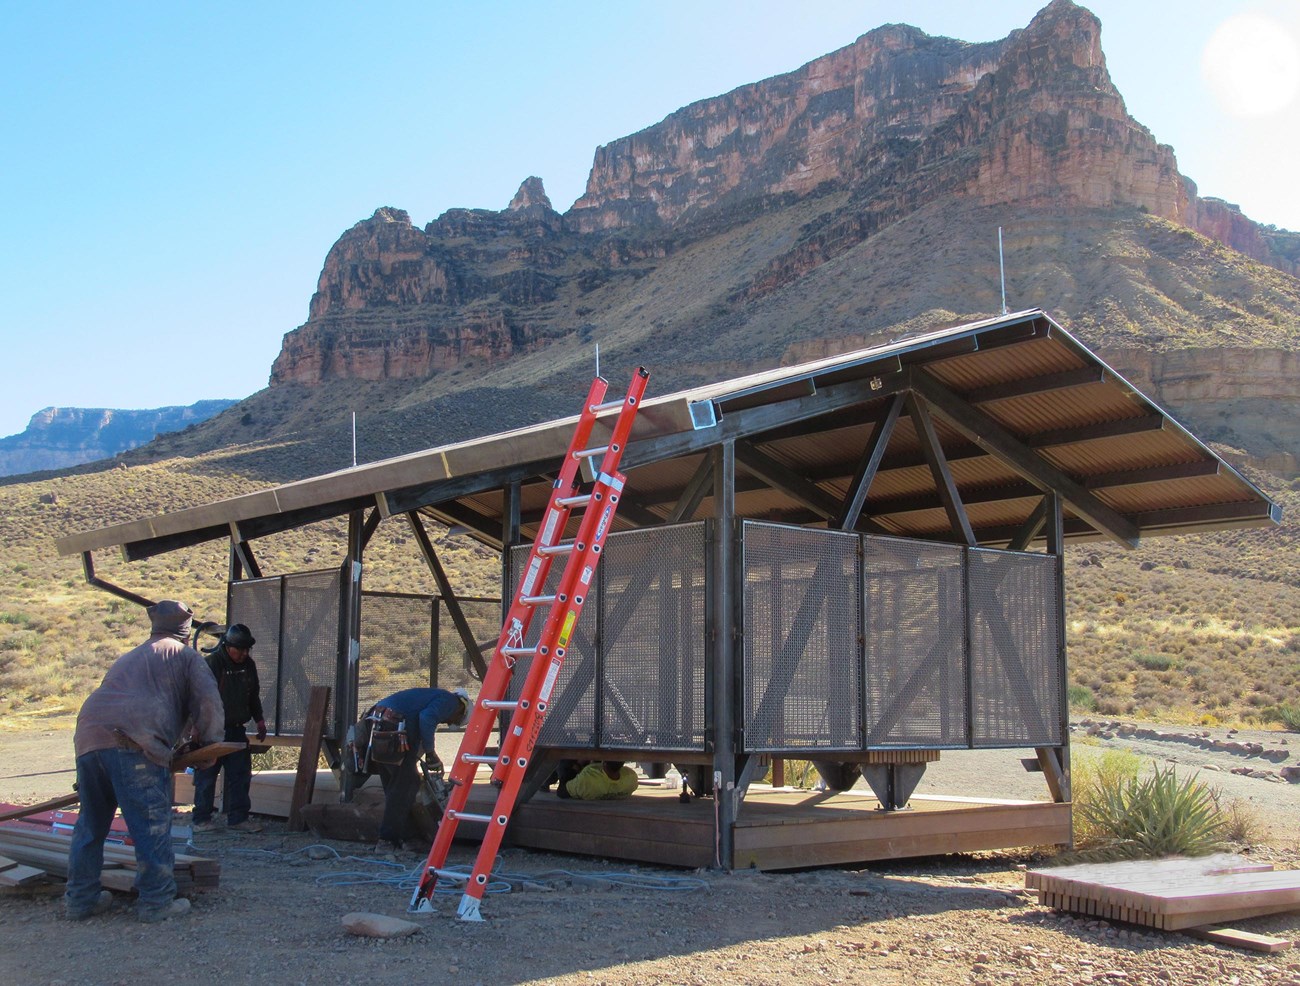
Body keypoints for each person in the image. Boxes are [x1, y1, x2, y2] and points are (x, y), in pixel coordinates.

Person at [65, 600, 224, 923]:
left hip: (88, 739)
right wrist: (209, 745)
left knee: (90, 826)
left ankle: (80, 901)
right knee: (150, 825)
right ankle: (156, 901)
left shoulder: (129, 657)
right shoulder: (185, 656)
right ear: (185, 629)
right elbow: (209, 703)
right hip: (132, 743)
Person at [350, 687, 470, 849]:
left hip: (378, 723)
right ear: (462, 710)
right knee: (407, 784)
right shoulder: (451, 701)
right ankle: (388, 839)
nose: (448, 722)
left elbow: (417, 718)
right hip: (393, 727)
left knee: (395, 785)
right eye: (453, 721)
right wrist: (430, 752)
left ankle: (405, 837)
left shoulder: (429, 696)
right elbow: (427, 718)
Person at [191, 623, 266, 833]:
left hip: (236, 729)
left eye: (246, 649)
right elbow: (198, 698)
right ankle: (201, 819)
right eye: (239, 649)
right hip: (211, 730)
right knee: (206, 775)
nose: (243, 654)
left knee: (240, 775)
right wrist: (197, 726)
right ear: (227, 646)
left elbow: (253, 695)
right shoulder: (212, 664)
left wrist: (259, 720)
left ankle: (238, 819)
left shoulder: (248, 666)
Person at [561, 761, 639, 801]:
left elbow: (561, 792)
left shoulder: (588, 778)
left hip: (587, 785)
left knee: (566, 764)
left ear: (604, 762)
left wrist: (578, 765)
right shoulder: (631, 777)